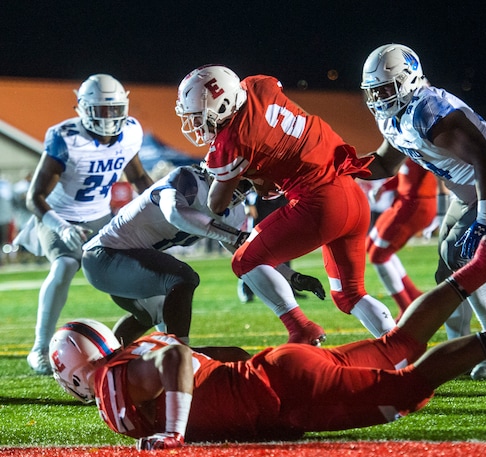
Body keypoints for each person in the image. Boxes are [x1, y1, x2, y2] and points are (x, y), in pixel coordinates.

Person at [48, 232, 486, 449]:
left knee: (406, 386)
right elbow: (206, 357)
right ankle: (481, 267)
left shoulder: (113, 385)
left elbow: (181, 360)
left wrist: (173, 431)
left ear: (74, 367)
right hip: (277, 370)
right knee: (398, 344)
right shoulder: (134, 353)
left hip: (283, 393)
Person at [174, 65, 397, 345]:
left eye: (199, 117)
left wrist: (229, 174)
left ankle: (301, 328)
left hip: (320, 203)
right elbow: (278, 129)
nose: (196, 125)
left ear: (224, 105)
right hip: (350, 191)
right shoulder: (257, 85)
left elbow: (216, 204)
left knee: (245, 260)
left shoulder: (231, 141)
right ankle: (402, 349)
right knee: (350, 295)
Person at [359, 44, 486, 380]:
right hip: (472, 190)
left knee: (466, 255)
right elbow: (385, 162)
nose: (381, 97)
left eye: (387, 88)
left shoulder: (428, 110)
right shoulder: (395, 118)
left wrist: (485, 223)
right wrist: (343, 166)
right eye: (375, 91)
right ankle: (460, 346)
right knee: (447, 275)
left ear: (409, 78)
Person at [81, 164, 326, 347]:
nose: (236, 193)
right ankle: (181, 355)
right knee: (182, 278)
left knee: (149, 314)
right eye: (237, 183)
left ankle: (104, 363)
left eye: (244, 187)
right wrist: (234, 235)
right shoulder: (188, 179)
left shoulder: (233, 211)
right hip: (103, 257)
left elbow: (248, 257)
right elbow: (175, 213)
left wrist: (291, 276)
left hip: (127, 264)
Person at [14, 74, 154, 375]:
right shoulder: (66, 138)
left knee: (127, 274)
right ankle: (39, 348)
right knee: (65, 265)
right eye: (101, 111)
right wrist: (61, 226)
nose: (109, 118)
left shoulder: (129, 133)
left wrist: (163, 200)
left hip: (100, 216)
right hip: (60, 215)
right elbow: (34, 197)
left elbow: (139, 177)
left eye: (114, 110)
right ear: (83, 109)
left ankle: (148, 328)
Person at [366, 159, 437, 316]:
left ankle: (406, 308)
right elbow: (405, 175)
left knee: (379, 255)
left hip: (416, 204)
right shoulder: (405, 141)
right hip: (402, 202)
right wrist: (384, 187)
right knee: (370, 244)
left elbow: (439, 170)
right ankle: (414, 296)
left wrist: (442, 212)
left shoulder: (419, 142)